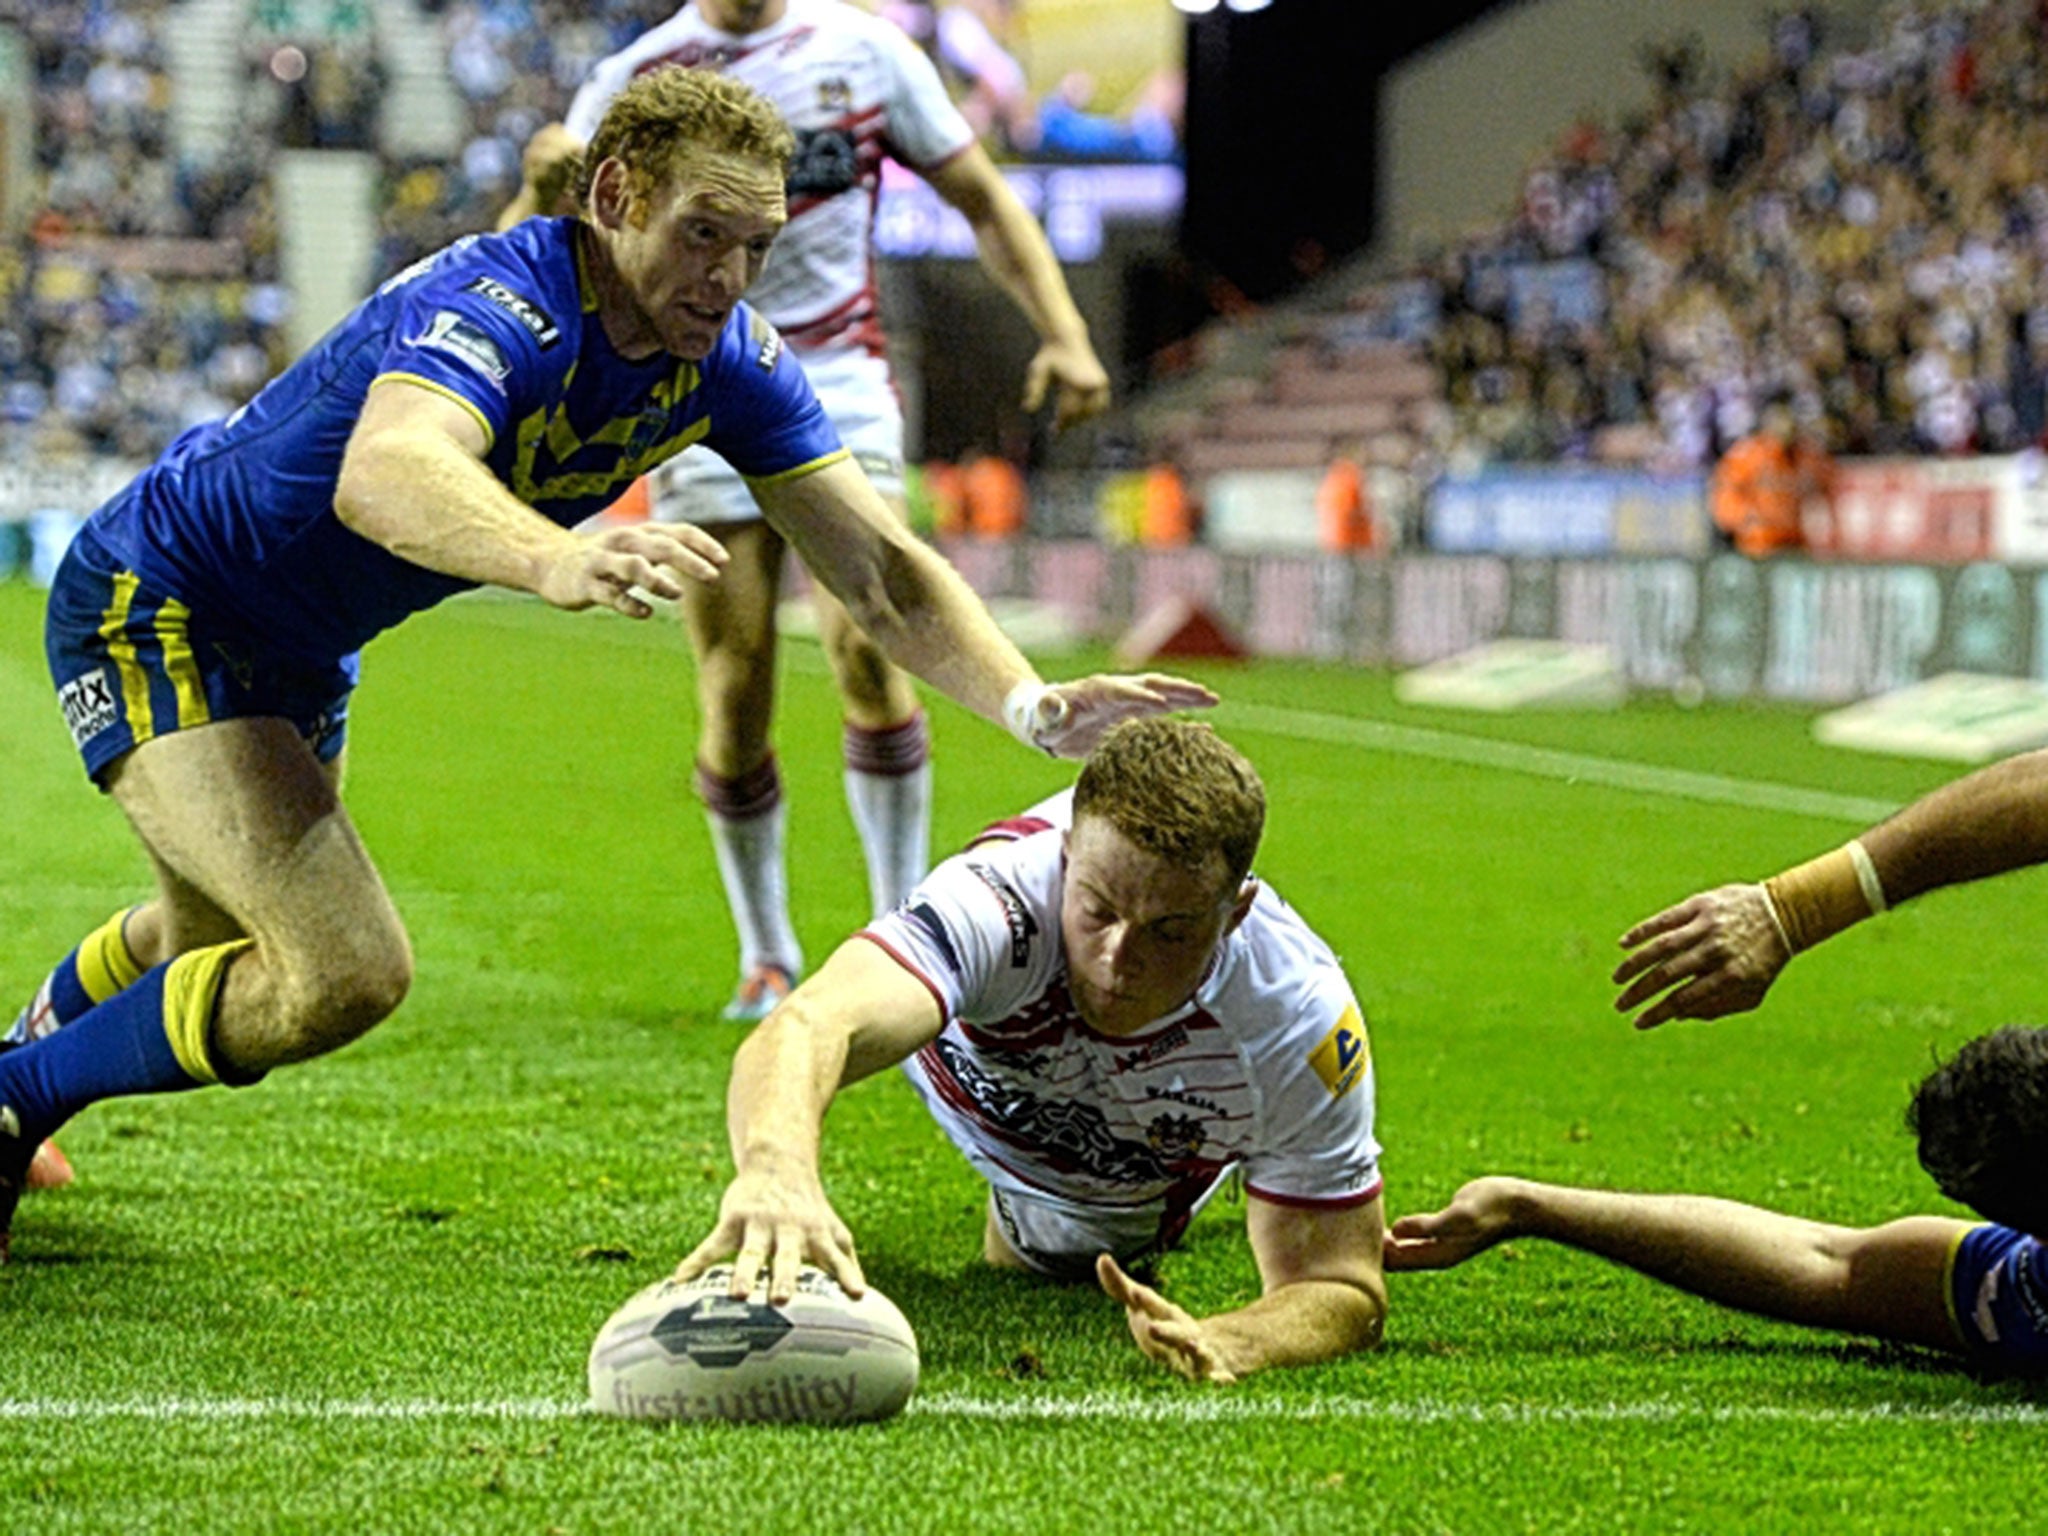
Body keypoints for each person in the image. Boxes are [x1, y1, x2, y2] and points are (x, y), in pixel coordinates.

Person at [0, 67, 1208, 1262]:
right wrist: (551, 558)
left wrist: (1028, 701)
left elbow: (879, 572)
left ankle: (20, 1078)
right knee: (338, 973)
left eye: (755, 244)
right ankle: (16, 1102)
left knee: (204, 936)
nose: (729, 276)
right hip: (163, 600)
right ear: (617, 195)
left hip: (294, 648)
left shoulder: (727, 357)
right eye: (702, 234)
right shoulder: (504, 300)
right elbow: (386, 470)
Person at [501, 0, 1112, 1020]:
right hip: (692, 381)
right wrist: (533, 188)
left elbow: (981, 197)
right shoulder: (635, 77)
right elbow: (549, 249)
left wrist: (1063, 330)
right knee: (735, 685)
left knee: (870, 645)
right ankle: (766, 952)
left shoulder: (866, 51)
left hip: (837, 379)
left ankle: (905, 931)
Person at [674, 719, 1388, 1384]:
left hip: (1096, 1168)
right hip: (950, 1049)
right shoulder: (1000, 901)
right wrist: (775, 1169)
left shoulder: (1297, 1022)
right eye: (1099, 909)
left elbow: (1342, 1285)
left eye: (1169, 930)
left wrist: (1231, 1339)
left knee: (1053, 1263)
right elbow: (807, 1026)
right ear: (1064, 856)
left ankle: (1155, 1198)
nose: (1117, 959)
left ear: (1236, 913)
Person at [1389, 748, 2048, 1374]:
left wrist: (1797, 908)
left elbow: (1834, 1267)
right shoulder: (2028, 1304)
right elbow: (1828, 1266)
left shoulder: (2028, 1308)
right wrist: (1528, 1207)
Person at [1708, 397, 1833, 558]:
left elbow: (1826, 486)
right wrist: (1747, 518)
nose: (1787, 427)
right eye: (1781, 420)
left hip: (1795, 541)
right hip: (1760, 544)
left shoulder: (1806, 456)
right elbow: (1725, 495)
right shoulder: (1748, 455)